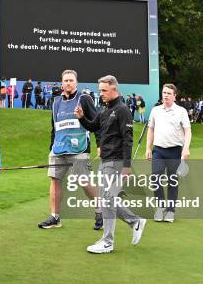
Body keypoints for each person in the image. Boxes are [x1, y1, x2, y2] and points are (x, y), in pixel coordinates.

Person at [75, 75, 146, 254]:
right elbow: (93, 127)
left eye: (104, 90)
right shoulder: (104, 110)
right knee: (108, 199)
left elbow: (128, 140)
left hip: (116, 161)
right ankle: (135, 221)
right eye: (100, 91)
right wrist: (82, 118)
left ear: (114, 89)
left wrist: (127, 166)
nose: (102, 94)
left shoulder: (122, 110)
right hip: (106, 160)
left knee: (107, 199)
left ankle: (108, 241)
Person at [38, 70, 103, 230]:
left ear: (76, 83)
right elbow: (54, 127)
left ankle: (100, 210)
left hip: (79, 148)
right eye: (65, 80)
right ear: (61, 83)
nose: (68, 83)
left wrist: (99, 144)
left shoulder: (84, 99)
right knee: (55, 181)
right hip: (58, 149)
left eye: (71, 80)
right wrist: (51, 147)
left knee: (84, 182)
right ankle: (55, 217)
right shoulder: (56, 102)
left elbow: (96, 122)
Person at [145, 84, 192, 223]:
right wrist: (148, 148)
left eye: (169, 93)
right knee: (155, 177)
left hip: (175, 150)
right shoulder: (155, 110)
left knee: (172, 181)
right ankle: (160, 208)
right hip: (158, 150)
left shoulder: (181, 111)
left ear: (174, 96)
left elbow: (188, 131)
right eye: (164, 92)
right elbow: (151, 129)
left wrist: (186, 148)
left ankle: (170, 211)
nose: (165, 95)